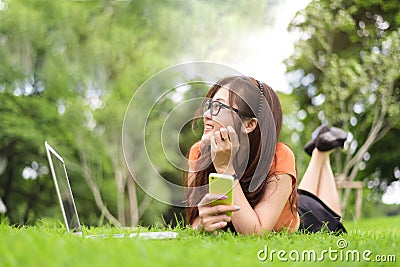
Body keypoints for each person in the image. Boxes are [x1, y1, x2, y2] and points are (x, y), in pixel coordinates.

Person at [184, 75, 347, 235]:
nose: (206, 115)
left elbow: (256, 232)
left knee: (333, 214)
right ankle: (320, 150)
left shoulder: (279, 156)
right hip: (285, 199)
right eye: (210, 105)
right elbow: (196, 220)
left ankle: (320, 152)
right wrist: (202, 224)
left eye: (219, 107)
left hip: (309, 218)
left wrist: (226, 169)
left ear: (248, 125)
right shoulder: (199, 152)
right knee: (300, 194)